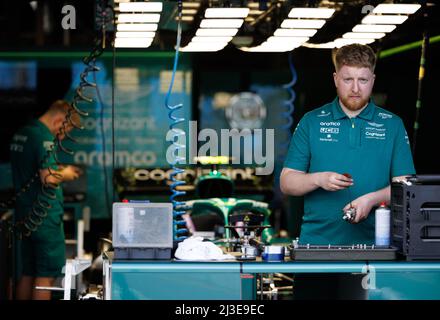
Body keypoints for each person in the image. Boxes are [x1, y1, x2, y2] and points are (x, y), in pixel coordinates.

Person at [281, 44, 415, 246]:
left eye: (362, 80)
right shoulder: (312, 121)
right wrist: (319, 179)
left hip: (376, 246)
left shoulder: (392, 124)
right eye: (347, 79)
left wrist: (371, 200)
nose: (355, 88)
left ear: (373, 80)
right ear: (335, 79)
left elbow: (406, 186)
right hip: (317, 245)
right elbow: (287, 182)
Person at [10, 100, 83, 300]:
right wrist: (66, 173)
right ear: (59, 120)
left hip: (24, 215)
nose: (61, 136)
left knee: (27, 272)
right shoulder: (43, 137)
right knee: (46, 276)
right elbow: (48, 177)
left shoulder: (23, 133)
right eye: (64, 130)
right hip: (44, 217)